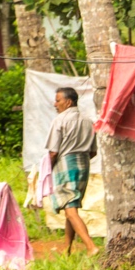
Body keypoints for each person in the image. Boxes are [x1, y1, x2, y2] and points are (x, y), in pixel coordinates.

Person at [46, 86, 98, 256]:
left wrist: (49, 168)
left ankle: (91, 246)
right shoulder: (88, 121)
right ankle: (66, 249)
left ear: (68, 102)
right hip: (83, 164)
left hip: (65, 165)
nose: (55, 104)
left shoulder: (60, 120)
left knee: (70, 209)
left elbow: (53, 151)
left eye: (58, 100)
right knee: (72, 205)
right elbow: (93, 151)